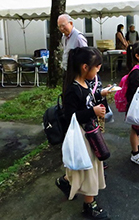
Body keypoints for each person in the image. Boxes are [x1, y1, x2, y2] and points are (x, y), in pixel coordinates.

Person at [56, 47, 110, 219]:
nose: (97, 72)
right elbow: (70, 116)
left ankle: (65, 181)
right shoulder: (73, 89)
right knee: (89, 169)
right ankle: (89, 205)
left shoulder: (85, 84)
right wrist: (92, 111)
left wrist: (100, 97)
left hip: (89, 131)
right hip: (82, 135)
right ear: (85, 67)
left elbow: (89, 102)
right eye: (96, 68)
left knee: (84, 167)